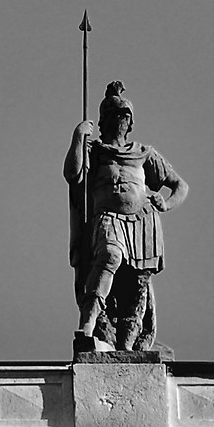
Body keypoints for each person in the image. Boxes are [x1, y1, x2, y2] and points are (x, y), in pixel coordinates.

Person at [63, 80, 187, 354]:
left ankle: (127, 346)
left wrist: (166, 204)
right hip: (109, 219)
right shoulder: (95, 151)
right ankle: (88, 324)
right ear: (103, 121)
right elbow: (73, 174)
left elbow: (180, 185)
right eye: (114, 114)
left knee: (136, 286)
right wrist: (78, 136)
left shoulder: (144, 153)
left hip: (142, 224)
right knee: (109, 256)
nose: (120, 119)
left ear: (130, 123)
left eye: (124, 115)